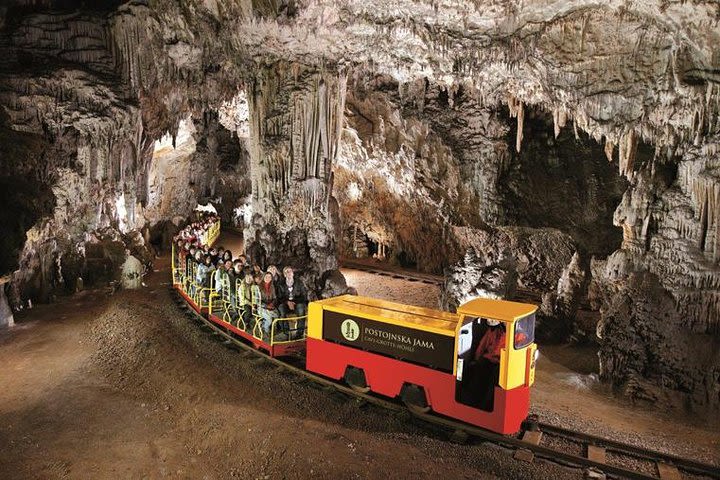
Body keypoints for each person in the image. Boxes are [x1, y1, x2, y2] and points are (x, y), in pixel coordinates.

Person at [467, 319, 506, 411]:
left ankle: (486, 406)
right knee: (478, 369)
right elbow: (483, 345)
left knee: (495, 379)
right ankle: (472, 402)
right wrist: (476, 359)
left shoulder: (518, 335)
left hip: (502, 363)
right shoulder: (494, 331)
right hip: (489, 359)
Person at [277, 266, 308, 338]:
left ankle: (299, 333)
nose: (289, 273)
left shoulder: (299, 283)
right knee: (281, 309)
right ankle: (286, 332)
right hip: (286, 303)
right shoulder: (281, 284)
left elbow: (304, 296)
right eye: (286, 272)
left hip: (297, 303)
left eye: (290, 271)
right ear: (284, 275)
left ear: (293, 273)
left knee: (301, 309)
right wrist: (287, 302)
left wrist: (294, 302)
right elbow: (280, 297)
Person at [258, 272, 278, 339]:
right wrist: (266, 306)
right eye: (266, 277)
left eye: (269, 277)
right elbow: (257, 301)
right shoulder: (258, 287)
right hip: (261, 307)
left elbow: (275, 298)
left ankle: (263, 324)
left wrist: (272, 304)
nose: (268, 278)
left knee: (277, 315)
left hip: (271, 306)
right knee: (269, 319)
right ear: (263, 277)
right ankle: (266, 331)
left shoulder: (272, 287)